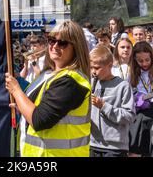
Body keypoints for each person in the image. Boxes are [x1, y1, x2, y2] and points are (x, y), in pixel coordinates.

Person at [5, 21, 91, 157]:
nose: (55, 46)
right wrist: (21, 106)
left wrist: (16, 90)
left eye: (62, 43)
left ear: (76, 47)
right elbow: (38, 107)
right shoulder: (46, 74)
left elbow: (39, 120)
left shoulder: (72, 80)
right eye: (51, 40)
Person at [90, 45, 135, 157]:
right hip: (92, 144)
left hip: (115, 148)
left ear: (109, 66)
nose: (93, 72)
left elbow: (129, 116)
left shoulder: (123, 86)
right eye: (91, 67)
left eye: (97, 68)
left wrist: (104, 106)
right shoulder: (90, 83)